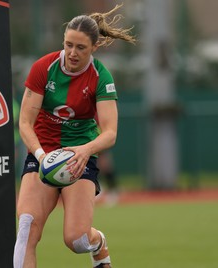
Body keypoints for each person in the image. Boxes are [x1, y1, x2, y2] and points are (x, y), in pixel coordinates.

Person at [13, 4, 135, 268]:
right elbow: (24, 122)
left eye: (80, 47)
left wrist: (85, 150)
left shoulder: (101, 77)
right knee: (26, 229)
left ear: (94, 47)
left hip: (79, 158)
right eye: (68, 45)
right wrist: (42, 156)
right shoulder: (43, 68)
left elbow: (110, 133)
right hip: (42, 153)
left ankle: (99, 243)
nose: (72, 53)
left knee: (77, 240)